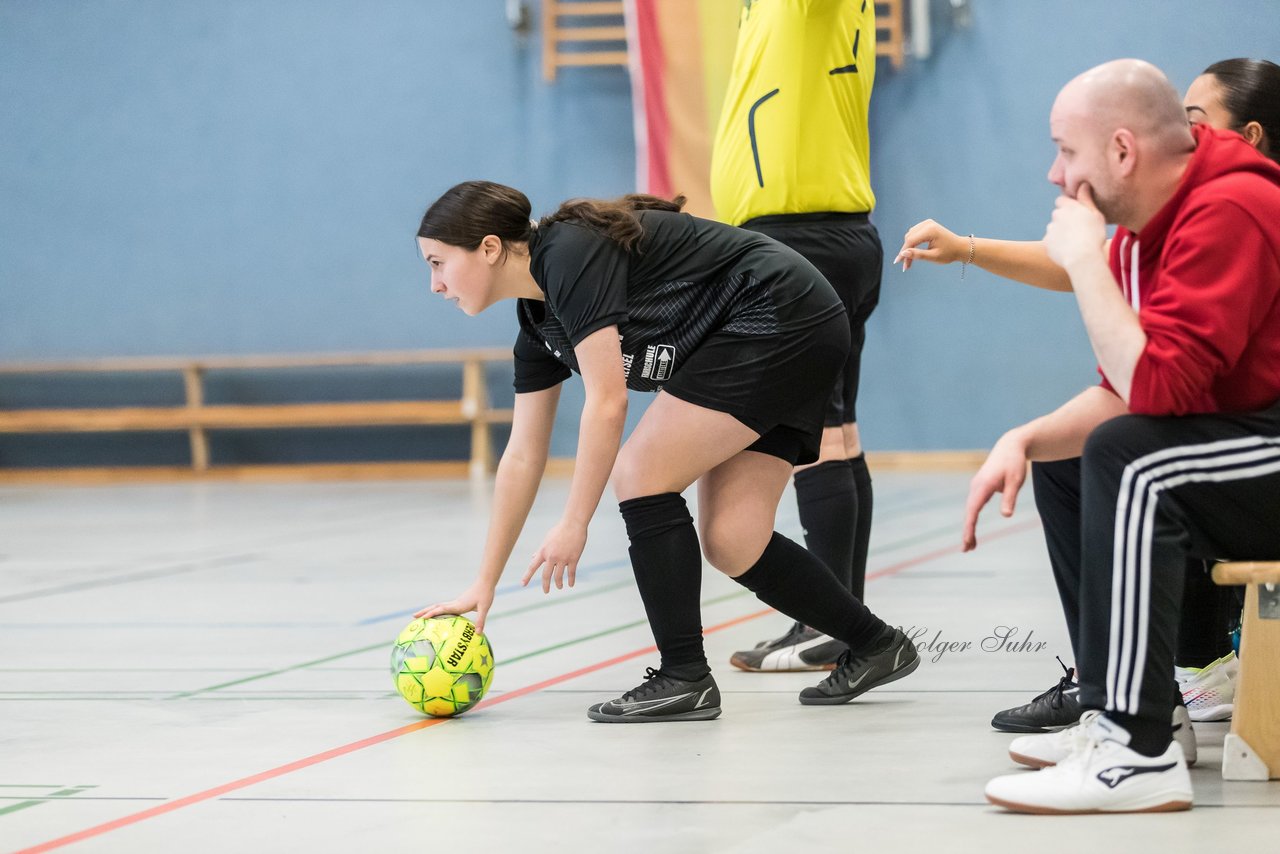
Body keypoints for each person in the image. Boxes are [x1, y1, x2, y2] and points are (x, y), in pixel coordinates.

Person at [413, 181, 920, 723]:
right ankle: (876, 643)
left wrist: (575, 522)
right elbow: (521, 455)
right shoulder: (539, 328)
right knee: (733, 539)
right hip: (791, 327)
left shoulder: (567, 253)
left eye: (439, 263)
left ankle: (684, 676)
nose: (435, 284)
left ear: (489, 248)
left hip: (779, 313)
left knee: (640, 472)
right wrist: (483, 582)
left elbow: (607, 405)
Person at [921, 59, 1280, 813]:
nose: (1055, 176)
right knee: (1076, 453)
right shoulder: (1158, 224)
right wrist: (1023, 438)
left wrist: (1084, 260)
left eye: (1066, 151)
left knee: (1130, 458)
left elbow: (1159, 390)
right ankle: (1135, 706)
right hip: (1254, 439)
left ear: (1122, 152)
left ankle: (1136, 749)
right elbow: (1125, 390)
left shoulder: (1235, 207)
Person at [710, 0, 883, 673]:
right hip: (807, 237)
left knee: (818, 440)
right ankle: (838, 620)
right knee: (837, 434)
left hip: (804, 237)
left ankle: (832, 624)